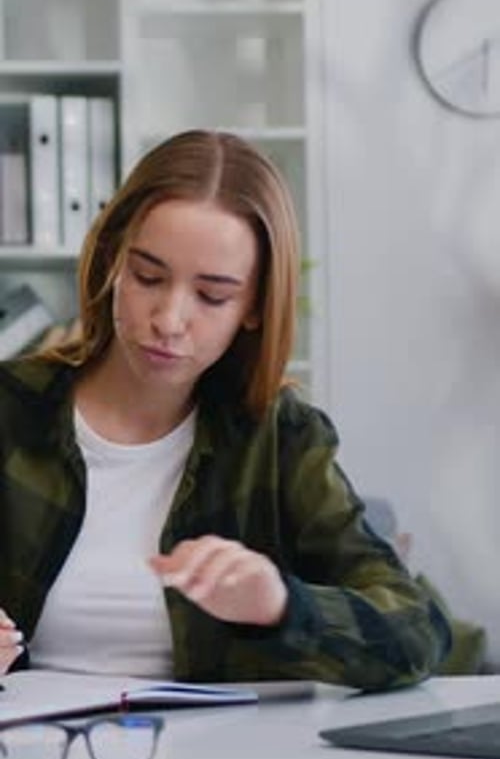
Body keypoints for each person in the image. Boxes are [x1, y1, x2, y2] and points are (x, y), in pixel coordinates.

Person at [0, 129, 451, 690]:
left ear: (255, 307)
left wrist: (284, 605)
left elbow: (417, 630)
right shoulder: (12, 410)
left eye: (212, 295)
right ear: (113, 260)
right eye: (147, 276)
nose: (169, 318)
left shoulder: (280, 438)